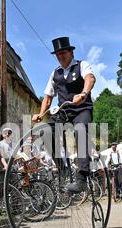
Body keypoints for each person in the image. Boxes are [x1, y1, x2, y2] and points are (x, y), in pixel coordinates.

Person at [32, 37, 96, 193]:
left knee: (80, 130)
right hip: (63, 111)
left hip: (81, 108)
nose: (60, 56)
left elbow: (90, 78)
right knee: (44, 131)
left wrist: (83, 93)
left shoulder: (82, 65)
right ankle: (62, 168)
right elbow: (48, 97)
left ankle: (81, 179)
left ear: (71, 52)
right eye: (58, 54)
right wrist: (41, 114)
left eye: (63, 52)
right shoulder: (55, 73)